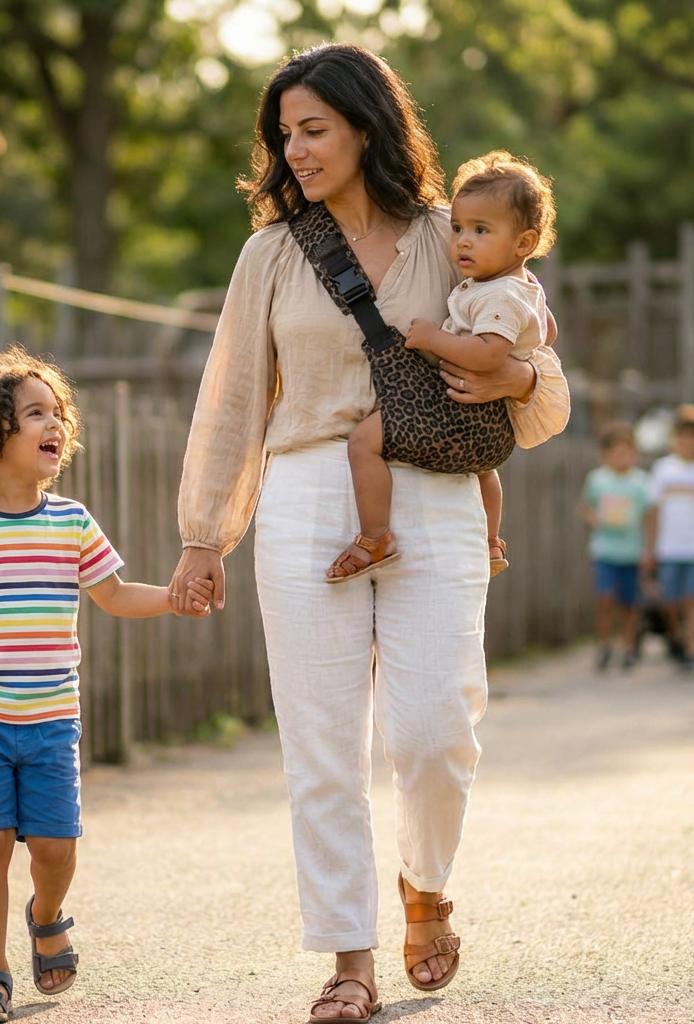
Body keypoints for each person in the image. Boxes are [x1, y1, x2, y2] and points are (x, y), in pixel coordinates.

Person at [169, 44, 570, 1021]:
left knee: (438, 727)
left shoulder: (456, 236)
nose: (295, 150)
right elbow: (230, 401)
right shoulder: (268, 253)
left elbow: (541, 377)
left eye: (313, 129)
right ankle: (350, 959)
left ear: (364, 125)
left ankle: (425, 886)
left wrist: (518, 378)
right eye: (283, 135)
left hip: (434, 489)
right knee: (321, 742)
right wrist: (200, 535)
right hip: (307, 488)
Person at [0, 349, 212, 1023]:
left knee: (54, 846)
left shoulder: (70, 521)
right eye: (34, 412)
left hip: (49, 719)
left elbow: (118, 594)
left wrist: (174, 598)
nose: (55, 424)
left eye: (57, 413)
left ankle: (46, 915)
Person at [331, 151, 557, 583]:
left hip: (453, 404)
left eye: (480, 230)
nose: (463, 241)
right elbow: (548, 333)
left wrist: (436, 339)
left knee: (363, 443)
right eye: (457, 228)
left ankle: (374, 537)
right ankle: (491, 541)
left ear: (524, 244)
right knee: (484, 468)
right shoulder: (520, 286)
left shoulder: (501, 295)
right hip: (487, 418)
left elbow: (490, 354)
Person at [579, 422, 651, 670]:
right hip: (605, 550)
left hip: (631, 552)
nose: (623, 458)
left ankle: (629, 645)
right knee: (605, 598)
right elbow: (586, 506)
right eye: (617, 453)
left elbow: (648, 516)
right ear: (606, 455)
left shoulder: (641, 483)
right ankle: (604, 645)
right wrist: (594, 518)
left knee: (630, 602)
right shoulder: (598, 479)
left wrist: (648, 551)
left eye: (628, 452)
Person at [644, 405, 694, 671]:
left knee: (691, 599)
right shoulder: (664, 469)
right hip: (669, 547)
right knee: (670, 600)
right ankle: (676, 637)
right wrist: (649, 549)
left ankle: (690, 647)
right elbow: (653, 511)